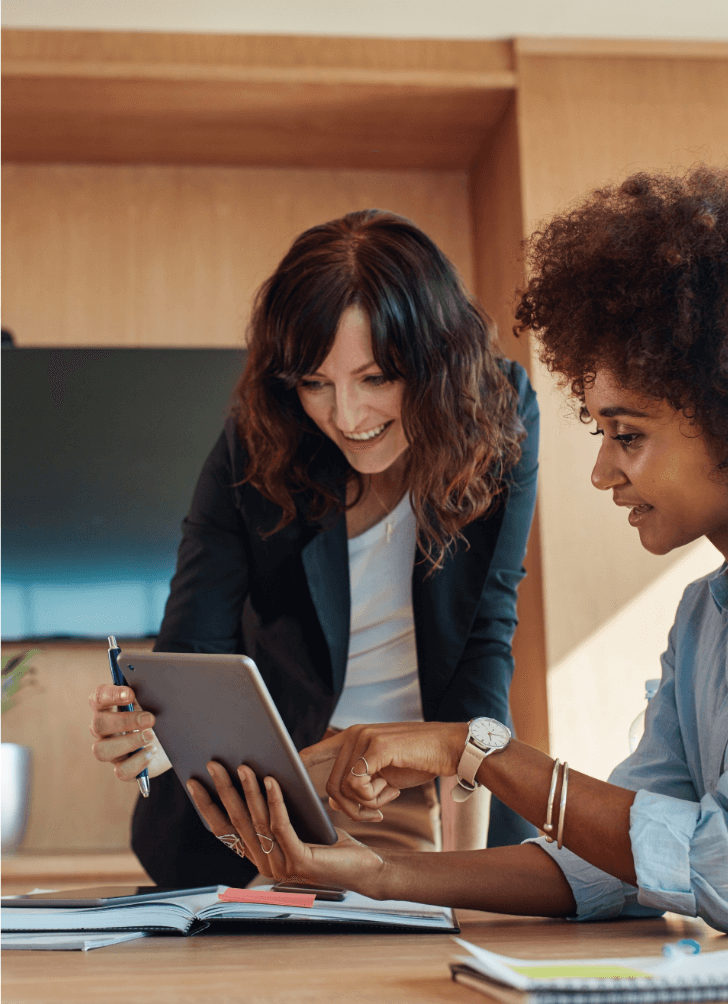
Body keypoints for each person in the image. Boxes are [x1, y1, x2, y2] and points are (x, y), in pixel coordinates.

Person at [185, 166, 728, 948]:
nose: (602, 469)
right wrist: (371, 876)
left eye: (629, 435)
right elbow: (611, 870)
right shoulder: (708, 621)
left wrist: (477, 748)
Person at [88, 210, 540, 887]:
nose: (347, 418)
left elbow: (484, 639)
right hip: (272, 803)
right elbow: (194, 649)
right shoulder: (258, 438)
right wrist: (153, 731)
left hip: (440, 794)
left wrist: (465, 873)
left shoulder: (498, 414)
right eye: (315, 383)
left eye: (377, 378)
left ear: (438, 362)